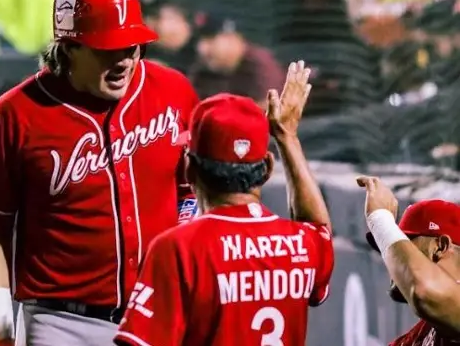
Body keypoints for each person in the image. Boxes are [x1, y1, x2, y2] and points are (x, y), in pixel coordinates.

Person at [0, 0, 200, 346]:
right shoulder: (16, 114)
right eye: (107, 49)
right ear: (69, 47)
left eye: (131, 46)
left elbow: (192, 191)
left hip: (157, 315)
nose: (123, 61)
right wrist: (3, 332)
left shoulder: (173, 90)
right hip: (61, 323)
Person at [115, 61, 335, 346]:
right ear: (267, 168)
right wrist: (287, 136)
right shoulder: (303, 244)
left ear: (189, 169)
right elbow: (319, 229)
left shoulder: (179, 248)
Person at [359, 179, 460, 345]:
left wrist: (379, 219)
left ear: (440, 247)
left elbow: (422, 289)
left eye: (405, 244)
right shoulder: (418, 335)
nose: (394, 261)